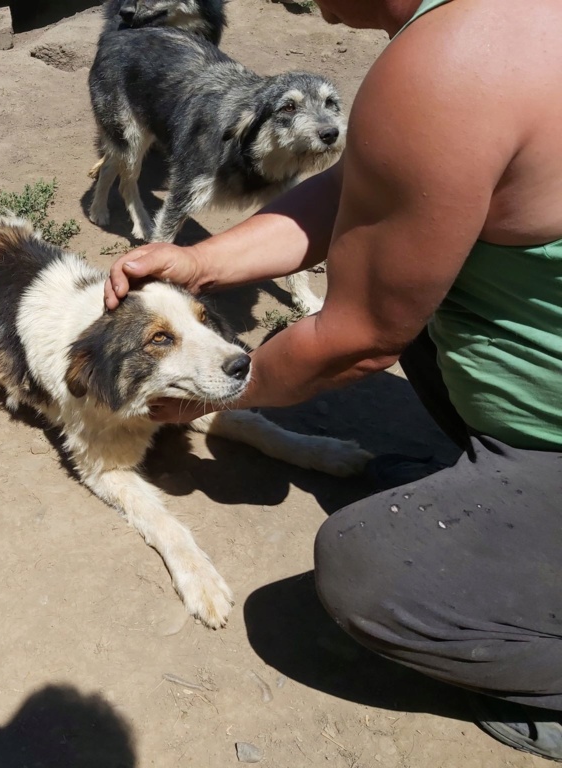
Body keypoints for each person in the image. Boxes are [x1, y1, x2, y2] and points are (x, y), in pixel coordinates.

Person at [102, 0, 562, 760]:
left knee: (367, 573)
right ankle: (500, 487)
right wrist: (204, 260)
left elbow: (358, 340)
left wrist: (217, 391)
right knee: (415, 302)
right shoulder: (494, 24)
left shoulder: (454, 61)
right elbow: (371, 189)